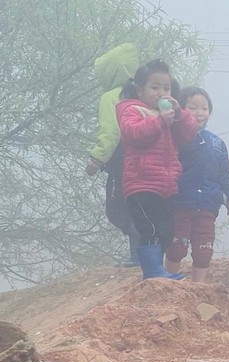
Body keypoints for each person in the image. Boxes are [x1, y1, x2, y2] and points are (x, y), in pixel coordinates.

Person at [116, 59, 198, 280]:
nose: (161, 93)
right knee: (150, 229)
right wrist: (160, 121)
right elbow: (134, 134)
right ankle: (152, 273)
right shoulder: (132, 110)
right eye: (155, 88)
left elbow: (189, 134)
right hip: (141, 183)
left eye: (166, 88)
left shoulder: (170, 114)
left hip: (165, 184)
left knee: (166, 230)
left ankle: (157, 270)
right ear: (139, 89)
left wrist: (179, 112)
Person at [164, 87, 229, 282]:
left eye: (204, 108)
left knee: (204, 248)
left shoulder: (217, 143)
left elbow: (223, 174)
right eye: (192, 107)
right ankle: (169, 284)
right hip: (181, 202)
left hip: (208, 204)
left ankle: (199, 288)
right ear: (180, 110)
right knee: (177, 246)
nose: (199, 113)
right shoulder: (175, 139)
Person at [85, 43, 141, 267]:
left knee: (117, 207)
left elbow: (111, 132)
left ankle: (138, 254)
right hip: (144, 158)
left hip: (121, 161)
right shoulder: (140, 93)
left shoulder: (110, 97)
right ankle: (142, 253)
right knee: (139, 203)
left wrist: (96, 159)